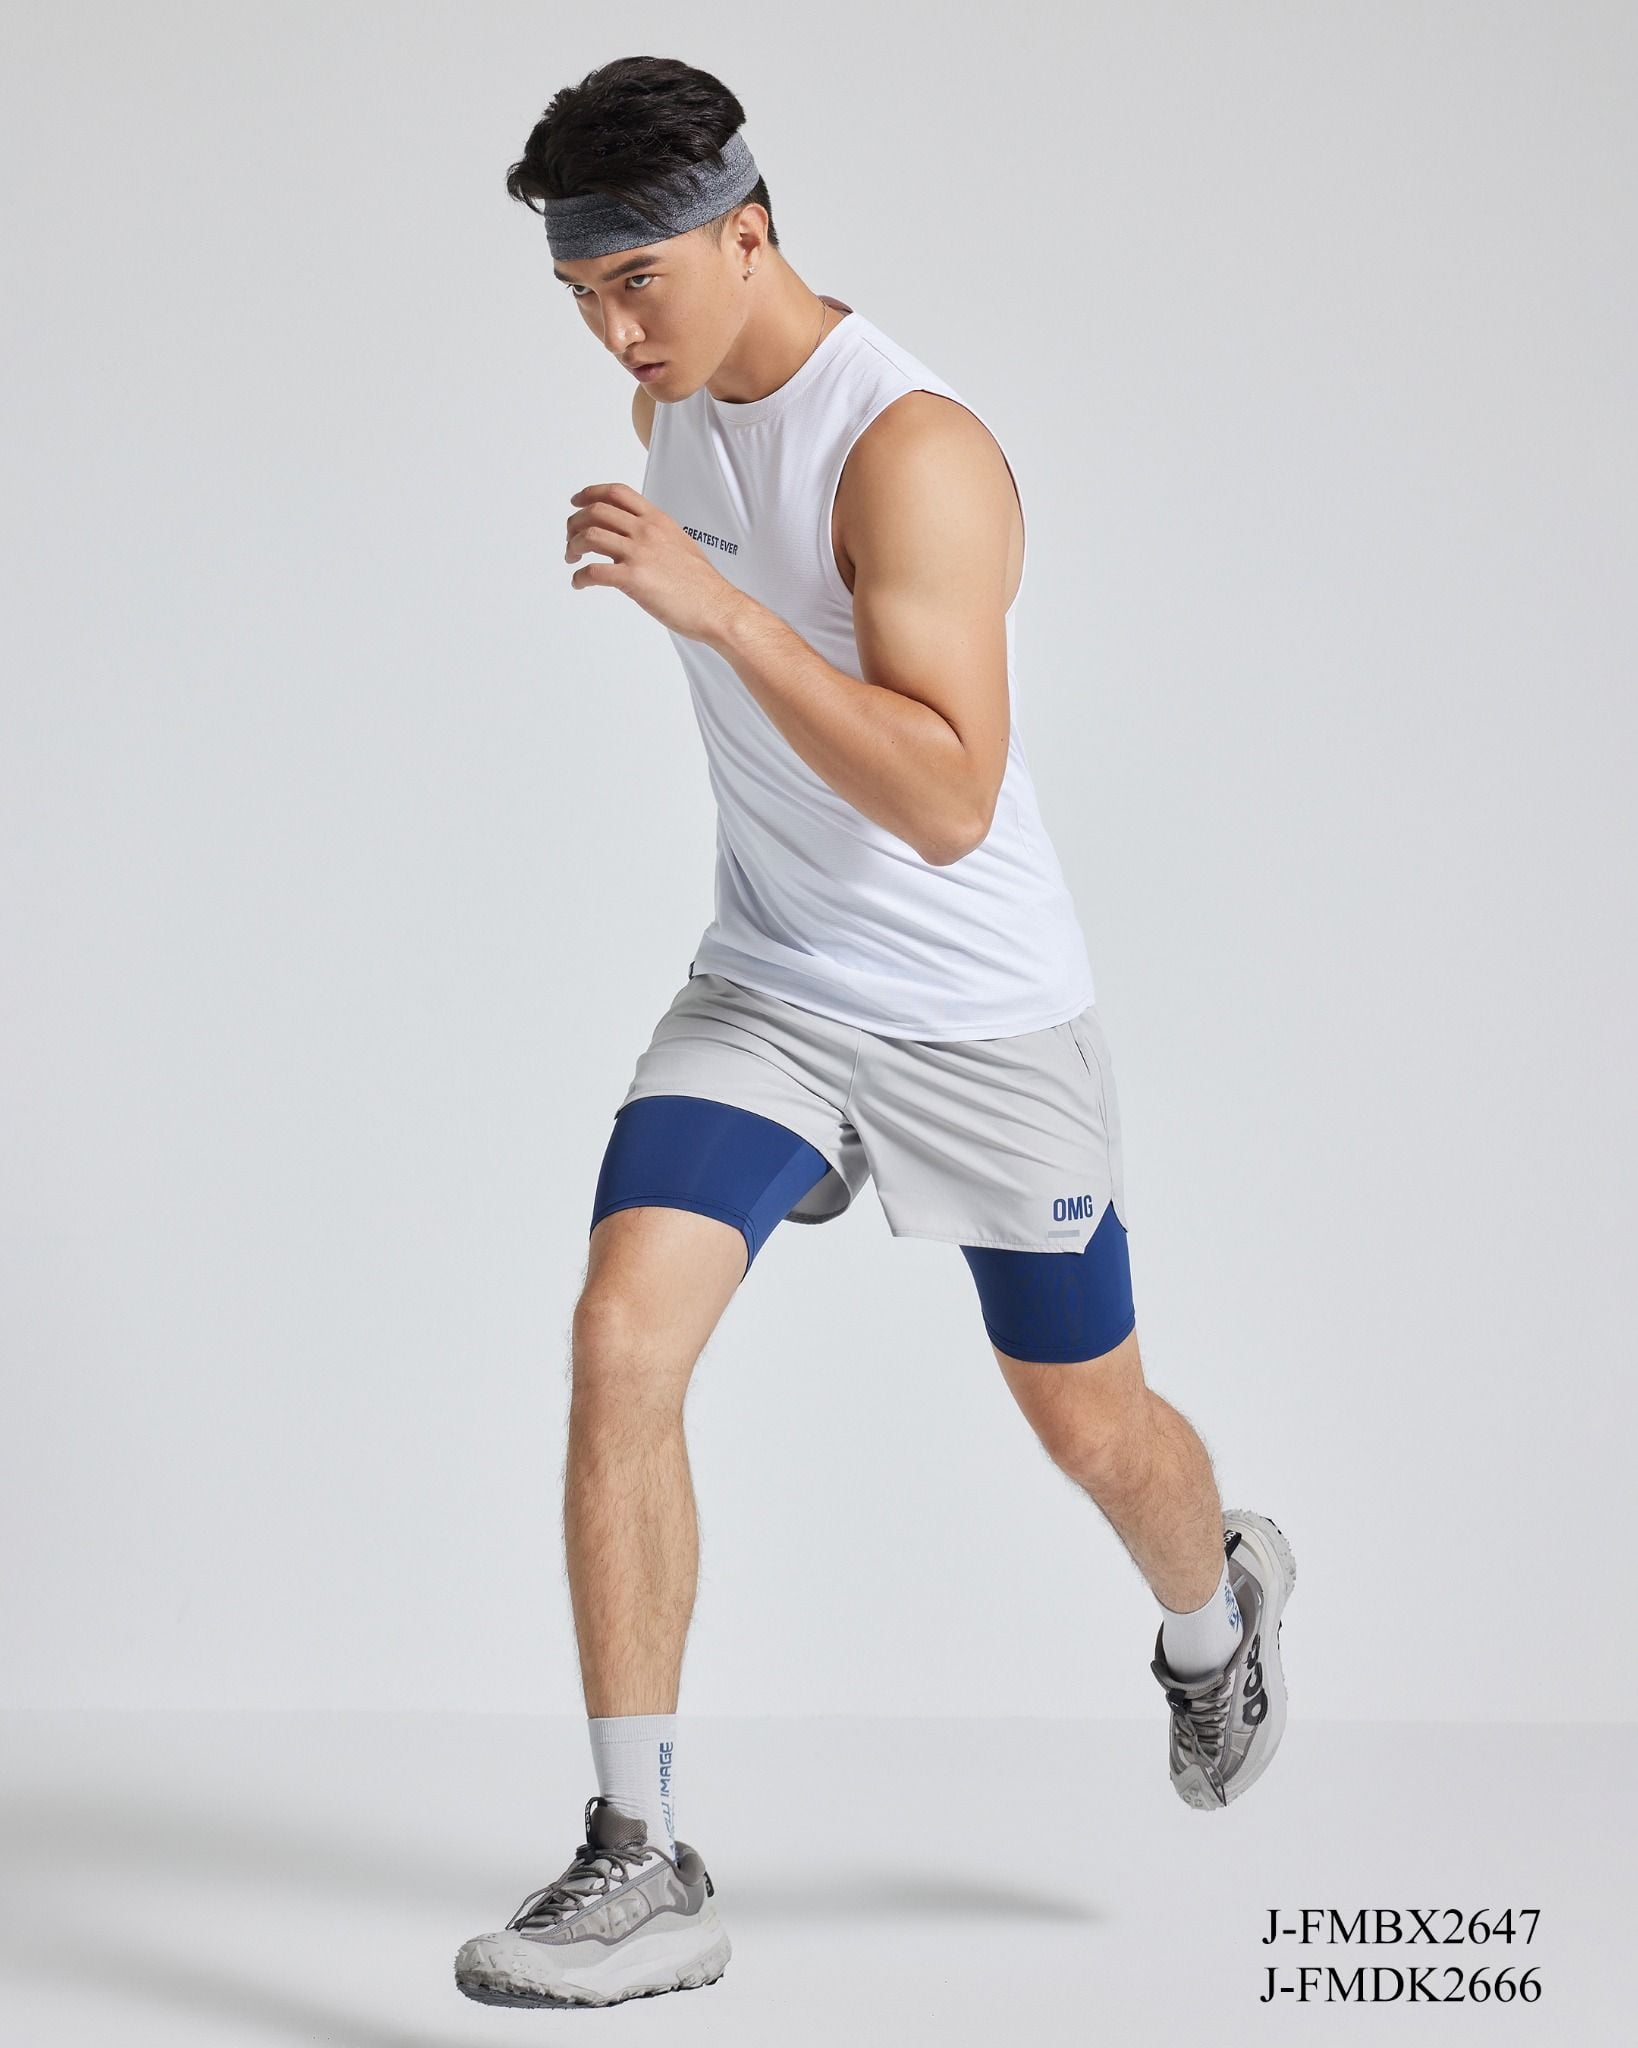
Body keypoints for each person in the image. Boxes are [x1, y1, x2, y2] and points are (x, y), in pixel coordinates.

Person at [456, 55, 1296, 2013]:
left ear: (750, 230)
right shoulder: (669, 395)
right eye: (582, 295)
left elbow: (947, 800)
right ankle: (640, 1856)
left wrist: (721, 612)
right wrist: (706, 579)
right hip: (767, 991)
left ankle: (1216, 1605)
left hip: (978, 1020)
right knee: (621, 1340)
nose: (616, 333)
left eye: (642, 279)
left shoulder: (911, 452)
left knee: (1092, 1425)